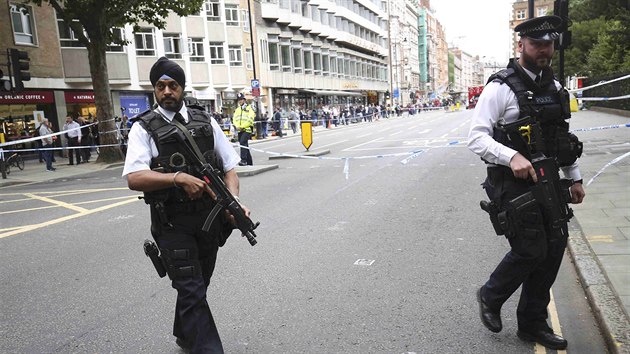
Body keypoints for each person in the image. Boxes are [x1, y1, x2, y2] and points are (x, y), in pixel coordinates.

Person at [468, 16, 585, 350]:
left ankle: (532, 324)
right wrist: (511, 157)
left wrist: (574, 178)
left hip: (548, 180)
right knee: (531, 248)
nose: (543, 51)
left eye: (548, 44)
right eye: (536, 45)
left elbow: (560, 140)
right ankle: (490, 295)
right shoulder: (500, 88)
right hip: (511, 183)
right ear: (521, 46)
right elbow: (475, 139)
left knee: (553, 249)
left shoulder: (556, 89)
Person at [123, 57, 249, 353]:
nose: (167, 91)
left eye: (173, 85)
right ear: (154, 89)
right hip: (172, 224)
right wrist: (177, 178)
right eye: (160, 86)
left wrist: (233, 203)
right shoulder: (143, 128)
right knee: (191, 289)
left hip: (209, 220)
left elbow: (230, 167)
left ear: (182, 88)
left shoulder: (206, 120)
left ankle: (184, 333)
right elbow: (134, 177)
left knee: (198, 284)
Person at [232, 93, 255, 166]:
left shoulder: (249, 108)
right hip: (239, 130)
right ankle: (249, 162)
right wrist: (237, 126)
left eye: (241, 99)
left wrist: (242, 126)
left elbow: (250, 119)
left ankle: (243, 160)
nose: (240, 101)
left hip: (247, 129)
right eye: (239, 100)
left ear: (244, 100)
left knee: (242, 142)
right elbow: (234, 119)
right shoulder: (237, 110)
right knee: (244, 145)